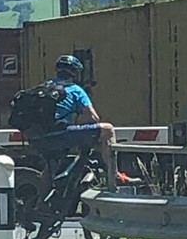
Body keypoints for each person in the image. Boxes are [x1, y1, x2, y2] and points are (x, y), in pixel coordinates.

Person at [46, 54, 129, 190]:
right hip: (60, 135)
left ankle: (40, 199)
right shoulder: (75, 90)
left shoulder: (46, 88)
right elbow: (93, 118)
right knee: (107, 129)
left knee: (48, 165)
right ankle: (114, 175)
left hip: (39, 137)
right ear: (74, 73)